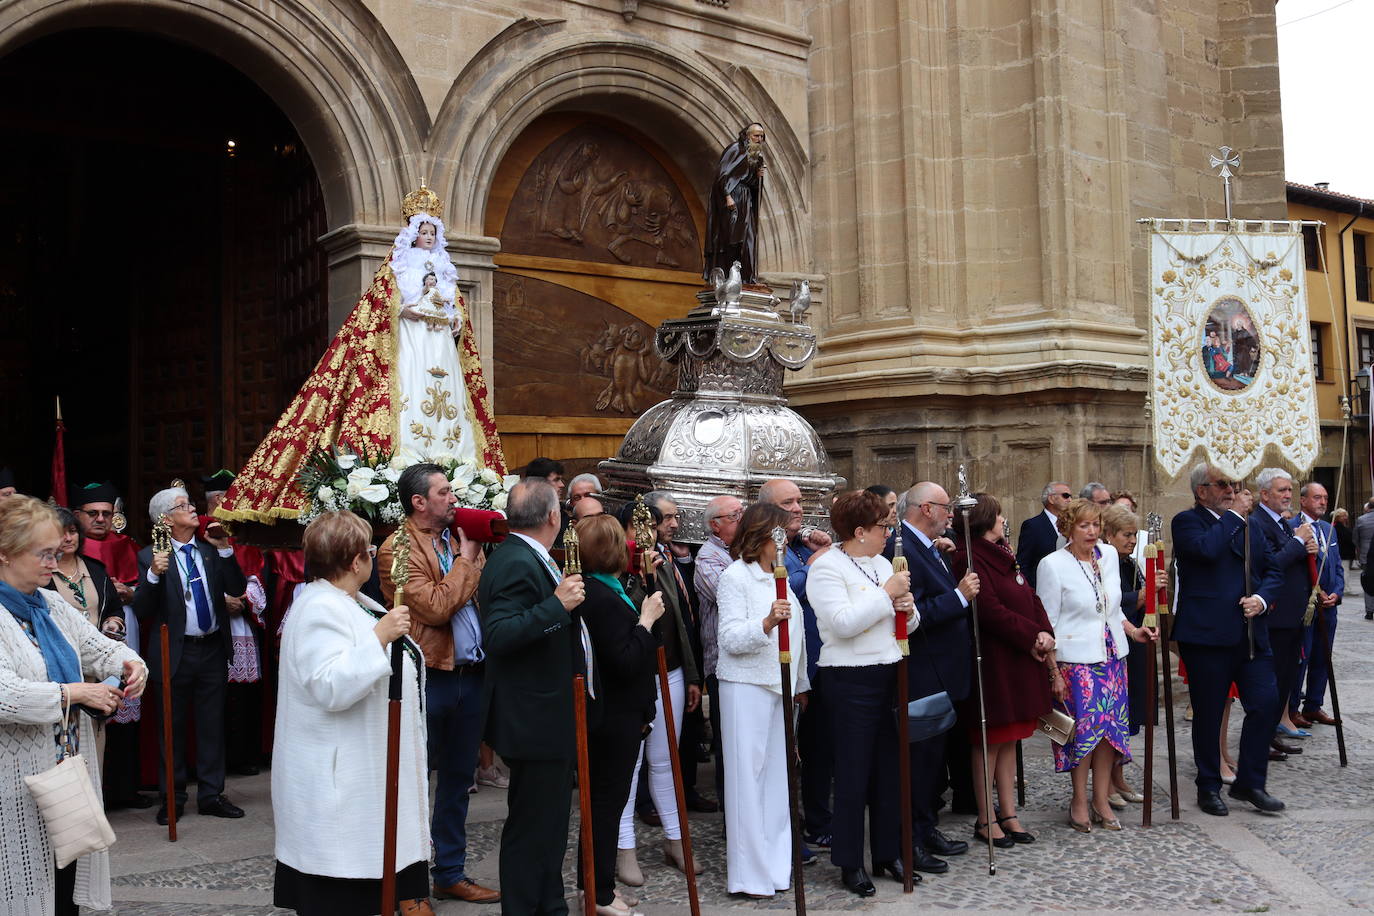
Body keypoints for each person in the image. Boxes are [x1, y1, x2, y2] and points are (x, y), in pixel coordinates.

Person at [215, 185, 505, 525]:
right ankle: (405, 465)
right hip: (410, 349)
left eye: (432, 232)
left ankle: (455, 470)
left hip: (440, 350)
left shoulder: (447, 276)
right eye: (423, 232)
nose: (428, 237)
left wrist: (455, 324)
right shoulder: (397, 271)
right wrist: (405, 311)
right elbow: (381, 313)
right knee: (410, 398)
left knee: (450, 404)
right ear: (412, 235)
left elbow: (458, 317)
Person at [271, 510, 431, 916]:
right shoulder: (318, 609)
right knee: (341, 901)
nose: (373, 558)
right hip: (338, 789)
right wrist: (379, 638)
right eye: (370, 551)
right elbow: (330, 685)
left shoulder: (352, 602)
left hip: (367, 777)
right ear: (355, 560)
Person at [0, 495, 146, 915]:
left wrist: (132, 664)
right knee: (23, 885)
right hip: (13, 782)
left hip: (65, 773)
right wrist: (75, 693)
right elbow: (6, 694)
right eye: (43, 553)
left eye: (57, 551)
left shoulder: (49, 604)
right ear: (5, 554)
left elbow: (99, 647)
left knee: (64, 884)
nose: (54, 561)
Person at [378, 463, 496, 904]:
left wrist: (466, 558)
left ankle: (450, 871)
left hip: (472, 674)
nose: (454, 498)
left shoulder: (462, 539)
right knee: (414, 781)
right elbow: (435, 608)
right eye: (444, 492)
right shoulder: (397, 549)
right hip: (430, 677)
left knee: (458, 781)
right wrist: (465, 562)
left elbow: (479, 596)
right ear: (419, 502)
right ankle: (407, 884)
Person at [479, 478, 589, 915]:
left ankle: (550, 904)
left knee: (549, 823)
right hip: (532, 717)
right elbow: (500, 634)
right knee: (531, 827)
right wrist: (556, 607)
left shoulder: (528, 556)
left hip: (548, 712)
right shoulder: (514, 561)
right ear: (553, 517)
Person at [806, 491, 916, 896]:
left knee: (890, 771)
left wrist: (907, 607)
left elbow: (904, 623)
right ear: (858, 531)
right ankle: (850, 860)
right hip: (848, 678)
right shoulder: (827, 568)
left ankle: (888, 852)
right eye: (882, 526)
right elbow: (844, 623)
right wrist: (887, 595)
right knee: (853, 773)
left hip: (887, 671)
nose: (888, 532)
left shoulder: (882, 563)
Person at [1171, 464, 1286, 816]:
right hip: (1207, 636)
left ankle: (1250, 781)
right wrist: (1234, 517)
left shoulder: (1246, 525)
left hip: (1250, 635)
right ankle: (1208, 784)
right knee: (1208, 714)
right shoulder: (1188, 521)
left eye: (1234, 484)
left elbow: (1273, 568)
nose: (1231, 490)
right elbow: (1205, 551)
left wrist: (1263, 599)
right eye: (1222, 484)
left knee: (1266, 704)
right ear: (1200, 490)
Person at [1035, 498, 1156, 832]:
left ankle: (1101, 799)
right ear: (1069, 529)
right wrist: (1053, 671)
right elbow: (1047, 622)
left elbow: (1112, 609)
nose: (1091, 532)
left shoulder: (1109, 558)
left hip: (1113, 658)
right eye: (1083, 525)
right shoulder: (1052, 564)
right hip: (1076, 663)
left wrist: (1134, 631)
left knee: (1109, 736)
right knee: (1080, 735)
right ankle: (1078, 799)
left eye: (1096, 525)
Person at [716, 501, 813, 898]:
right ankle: (748, 874)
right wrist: (767, 623)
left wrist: (801, 682)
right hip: (745, 685)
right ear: (761, 536)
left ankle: (776, 867)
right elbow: (729, 639)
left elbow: (800, 634)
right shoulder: (734, 577)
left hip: (778, 686)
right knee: (747, 780)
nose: (783, 543)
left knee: (777, 779)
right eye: (777, 535)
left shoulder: (780, 577)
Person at [134, 485, 248, 824]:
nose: (193, 509)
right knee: (172, 726)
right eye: (184, 506)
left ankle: (212, 795)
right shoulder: (149, 556)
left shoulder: (209, 551)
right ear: (166, 520)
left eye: (190, 503)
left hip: (211, 648)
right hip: (174, 652)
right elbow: (142, 609)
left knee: (212, 724)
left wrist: (226, 550)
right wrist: (154, 574)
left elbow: (237, 588)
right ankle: (174, 797)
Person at [948, 493, 1055, 846]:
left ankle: (1008, 812)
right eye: (998, 514)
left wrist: (1045, 633)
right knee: (989, 742)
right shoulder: (970, 556)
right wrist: (1030, 635)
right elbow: (989, 611)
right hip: (994, 661)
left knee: (1010, 740)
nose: (1004, 520)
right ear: (983, 519)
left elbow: (1030, 596)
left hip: (1018, 658)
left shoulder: (1004, 552)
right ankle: (985, 817)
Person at [577, 514, 665, 916]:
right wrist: (645, 621)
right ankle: (598, 894)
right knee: (606, 806)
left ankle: (597, 887)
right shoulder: (601, 598)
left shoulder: (605, 590)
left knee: (605, 805)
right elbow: (626, 660)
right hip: (613, 718)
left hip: (618, 714)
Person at [618, 492, 703, 880]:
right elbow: (630, 617)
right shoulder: (617, 567)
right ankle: (624, 849)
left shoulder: (664, 563)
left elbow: (679, 623)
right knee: (629, 765)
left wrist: (691, 675)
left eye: (653, 527)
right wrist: (639, 576)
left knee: (666, 760)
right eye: (642, 527)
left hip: (669, 671)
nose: (650, 535)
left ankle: (674, 839)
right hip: (635, 677)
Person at [890, 481, 975, 869]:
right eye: (946, 507)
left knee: (933, 760)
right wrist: (959, 597)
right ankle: (913, 837)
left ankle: (926, 827)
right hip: (924, 668)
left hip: (944, 668)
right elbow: (914, 614)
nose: (951, 515)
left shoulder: (929, 545)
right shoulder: (903, 548)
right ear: (926, 508)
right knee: (920, 762)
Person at [203, 469, 269, 777]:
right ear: (215, 500)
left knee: (244, 698)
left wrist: (243, 601)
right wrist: (221, 601)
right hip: (213, 628)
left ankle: (244, 755)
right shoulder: (199, 533)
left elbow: (256, 580)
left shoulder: (244, 537)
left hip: (243, 626)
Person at [1247, 469, 1317, 756]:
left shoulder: (1283, 523)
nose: (1288, 495)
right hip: (1275, 616)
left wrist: (1306, 546)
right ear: (1264, 494)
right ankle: (1261, 742)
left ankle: (1271, 733)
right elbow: (1270, 565)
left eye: (1289, 490)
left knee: (1287, 678)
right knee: (1273, 681)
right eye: (1281, 490)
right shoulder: (1258, 523)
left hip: (1294, 614)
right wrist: (1298, 542)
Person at [1101, 504, 1162, 807]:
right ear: (1109, 534)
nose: (1132, 541)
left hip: (1135, 641)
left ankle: (1119, 776)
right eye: (1126, 535)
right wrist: (1142, 594)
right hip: (1116, 642)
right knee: (1115, 717)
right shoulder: (1104, 561)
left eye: (1133, 536)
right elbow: (1109, 600)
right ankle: (1108, 782)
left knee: (1131, 716)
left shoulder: (1128, 562)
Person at [694, 494, 744, 809]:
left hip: (747, 659)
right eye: (735, 515)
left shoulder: (741, 551)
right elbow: (733, 598)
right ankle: (732, 809)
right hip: (722, 662)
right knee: (729, 741)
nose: (743, 519)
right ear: (716, 524)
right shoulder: (708, 558)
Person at [1290, 482, 1343, 730]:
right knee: (1302, 657)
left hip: (1329, 608)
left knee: (1323, 658)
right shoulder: (1292, 528)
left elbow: (1338, 568)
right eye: (1317, 497)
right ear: (1303, 500)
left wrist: (1337, 593)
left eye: (1325, 497)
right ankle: (1291, 708)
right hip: (1306, 608)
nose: (1323, 502)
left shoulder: (1328, 529)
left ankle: (1313, 705)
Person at [704, 122, 767, 284]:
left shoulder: (756, 157)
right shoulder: (735, 149)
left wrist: (758, 176)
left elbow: (752, 183)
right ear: (747, 136)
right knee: (733, 238)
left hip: (746, 200)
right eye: (756, 136)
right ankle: (729, 275)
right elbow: (722, 174)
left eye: (761, 136)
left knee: (749, 238)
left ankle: (748, 277)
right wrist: (727, 195)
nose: (759, 139)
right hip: (733, 198)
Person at [1017, 482, 1070, 590]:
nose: (1069, 500)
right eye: (1065, 496)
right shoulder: (1033, 526)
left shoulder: (1072, 525)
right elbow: (1024, 563)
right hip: (1043, 590)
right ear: (1051, 499)